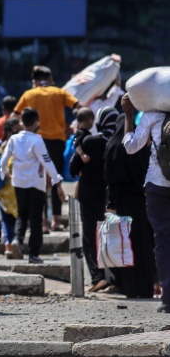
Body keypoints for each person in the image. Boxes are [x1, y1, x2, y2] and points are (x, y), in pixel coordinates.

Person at [14, 66, 80, 232]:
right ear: (50, 78)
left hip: (35, 141)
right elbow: (78, 106)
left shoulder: (28, 94)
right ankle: (56, 221)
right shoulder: (59, 92)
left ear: (34, 80)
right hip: (57, 141)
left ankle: (43, 222)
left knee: (40, 180)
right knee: (56, 178)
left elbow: (15, 115)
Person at [121, 94, 170, 313]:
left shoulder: (151, 116)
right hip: (156, 186)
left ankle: (168, 299)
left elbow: (131, 147)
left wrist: (128, 114)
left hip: (157, 185)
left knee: (162, 241)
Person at [0, 107, 65, 264]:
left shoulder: (14, 139)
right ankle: (34, 254)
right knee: (36, 218)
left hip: (18, 182)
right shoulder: (37, 140)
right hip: (36, 184)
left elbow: (3, 160)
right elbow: (46, 162)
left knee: (22, 214)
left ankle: (17, 240)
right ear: (36, 122)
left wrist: (5, 173)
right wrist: (57, 181)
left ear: (22, 122)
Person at [105, 113, 156, 299]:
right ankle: (147, 286)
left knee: (125, 245)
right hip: (141, 201)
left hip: (123, 204)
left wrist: (111, 205)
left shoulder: (113, 147)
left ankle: (129, 287)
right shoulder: (138, 147)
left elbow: (113, 180)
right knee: (143, 244)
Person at [69, 107, 118, 292]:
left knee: (91, 235)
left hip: (90, 192)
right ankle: (115, 278)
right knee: (112, 235)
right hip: (112, 194)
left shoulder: (90, 141)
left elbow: (73, 167)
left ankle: (98, 277)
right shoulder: (121, 140)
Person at [0, 117, 22, 259]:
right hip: (15, 187)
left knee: (6, 219)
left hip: (3, 190)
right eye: (18, 129)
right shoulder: (16, 144)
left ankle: (8, 246)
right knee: (18, 216)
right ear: (12, 130)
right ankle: (16, 241)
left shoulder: (2, 145)